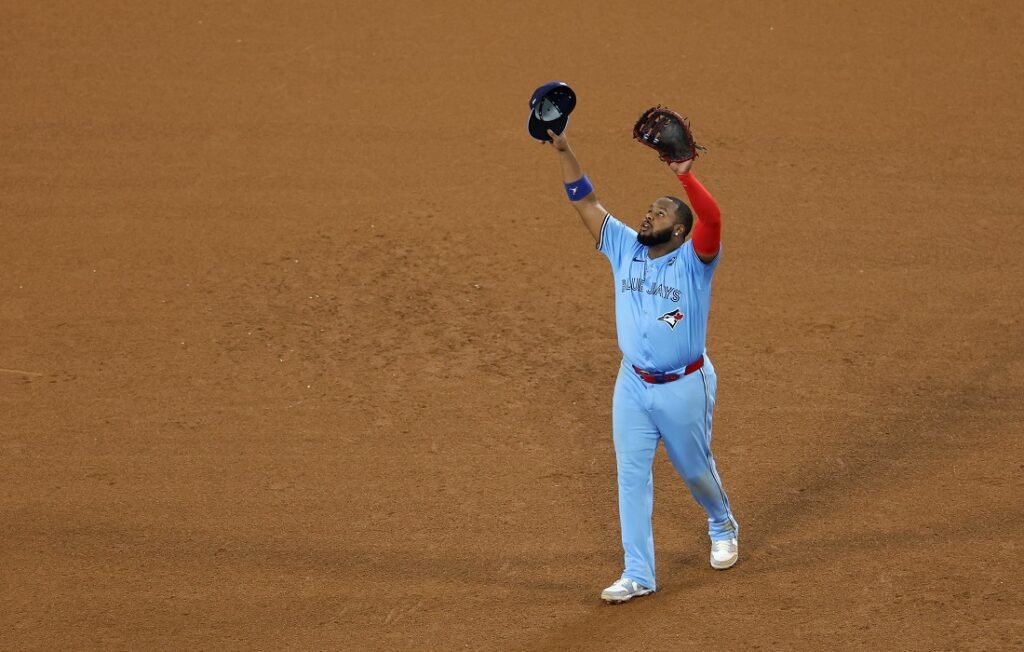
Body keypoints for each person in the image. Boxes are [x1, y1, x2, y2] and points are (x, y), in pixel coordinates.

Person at [544, 127, 739, 604]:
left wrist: (686, 177)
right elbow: (585, 202)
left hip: (683, 386)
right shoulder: (626, 248)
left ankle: (721, 521)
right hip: (632, 384)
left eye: (661, 211)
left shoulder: (695, 262)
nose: (649, 213)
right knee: (630, 474)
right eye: (650, 207)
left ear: (678, 230)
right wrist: (566, 150)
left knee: (693, 469)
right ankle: (638, 573)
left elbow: (712, 219)